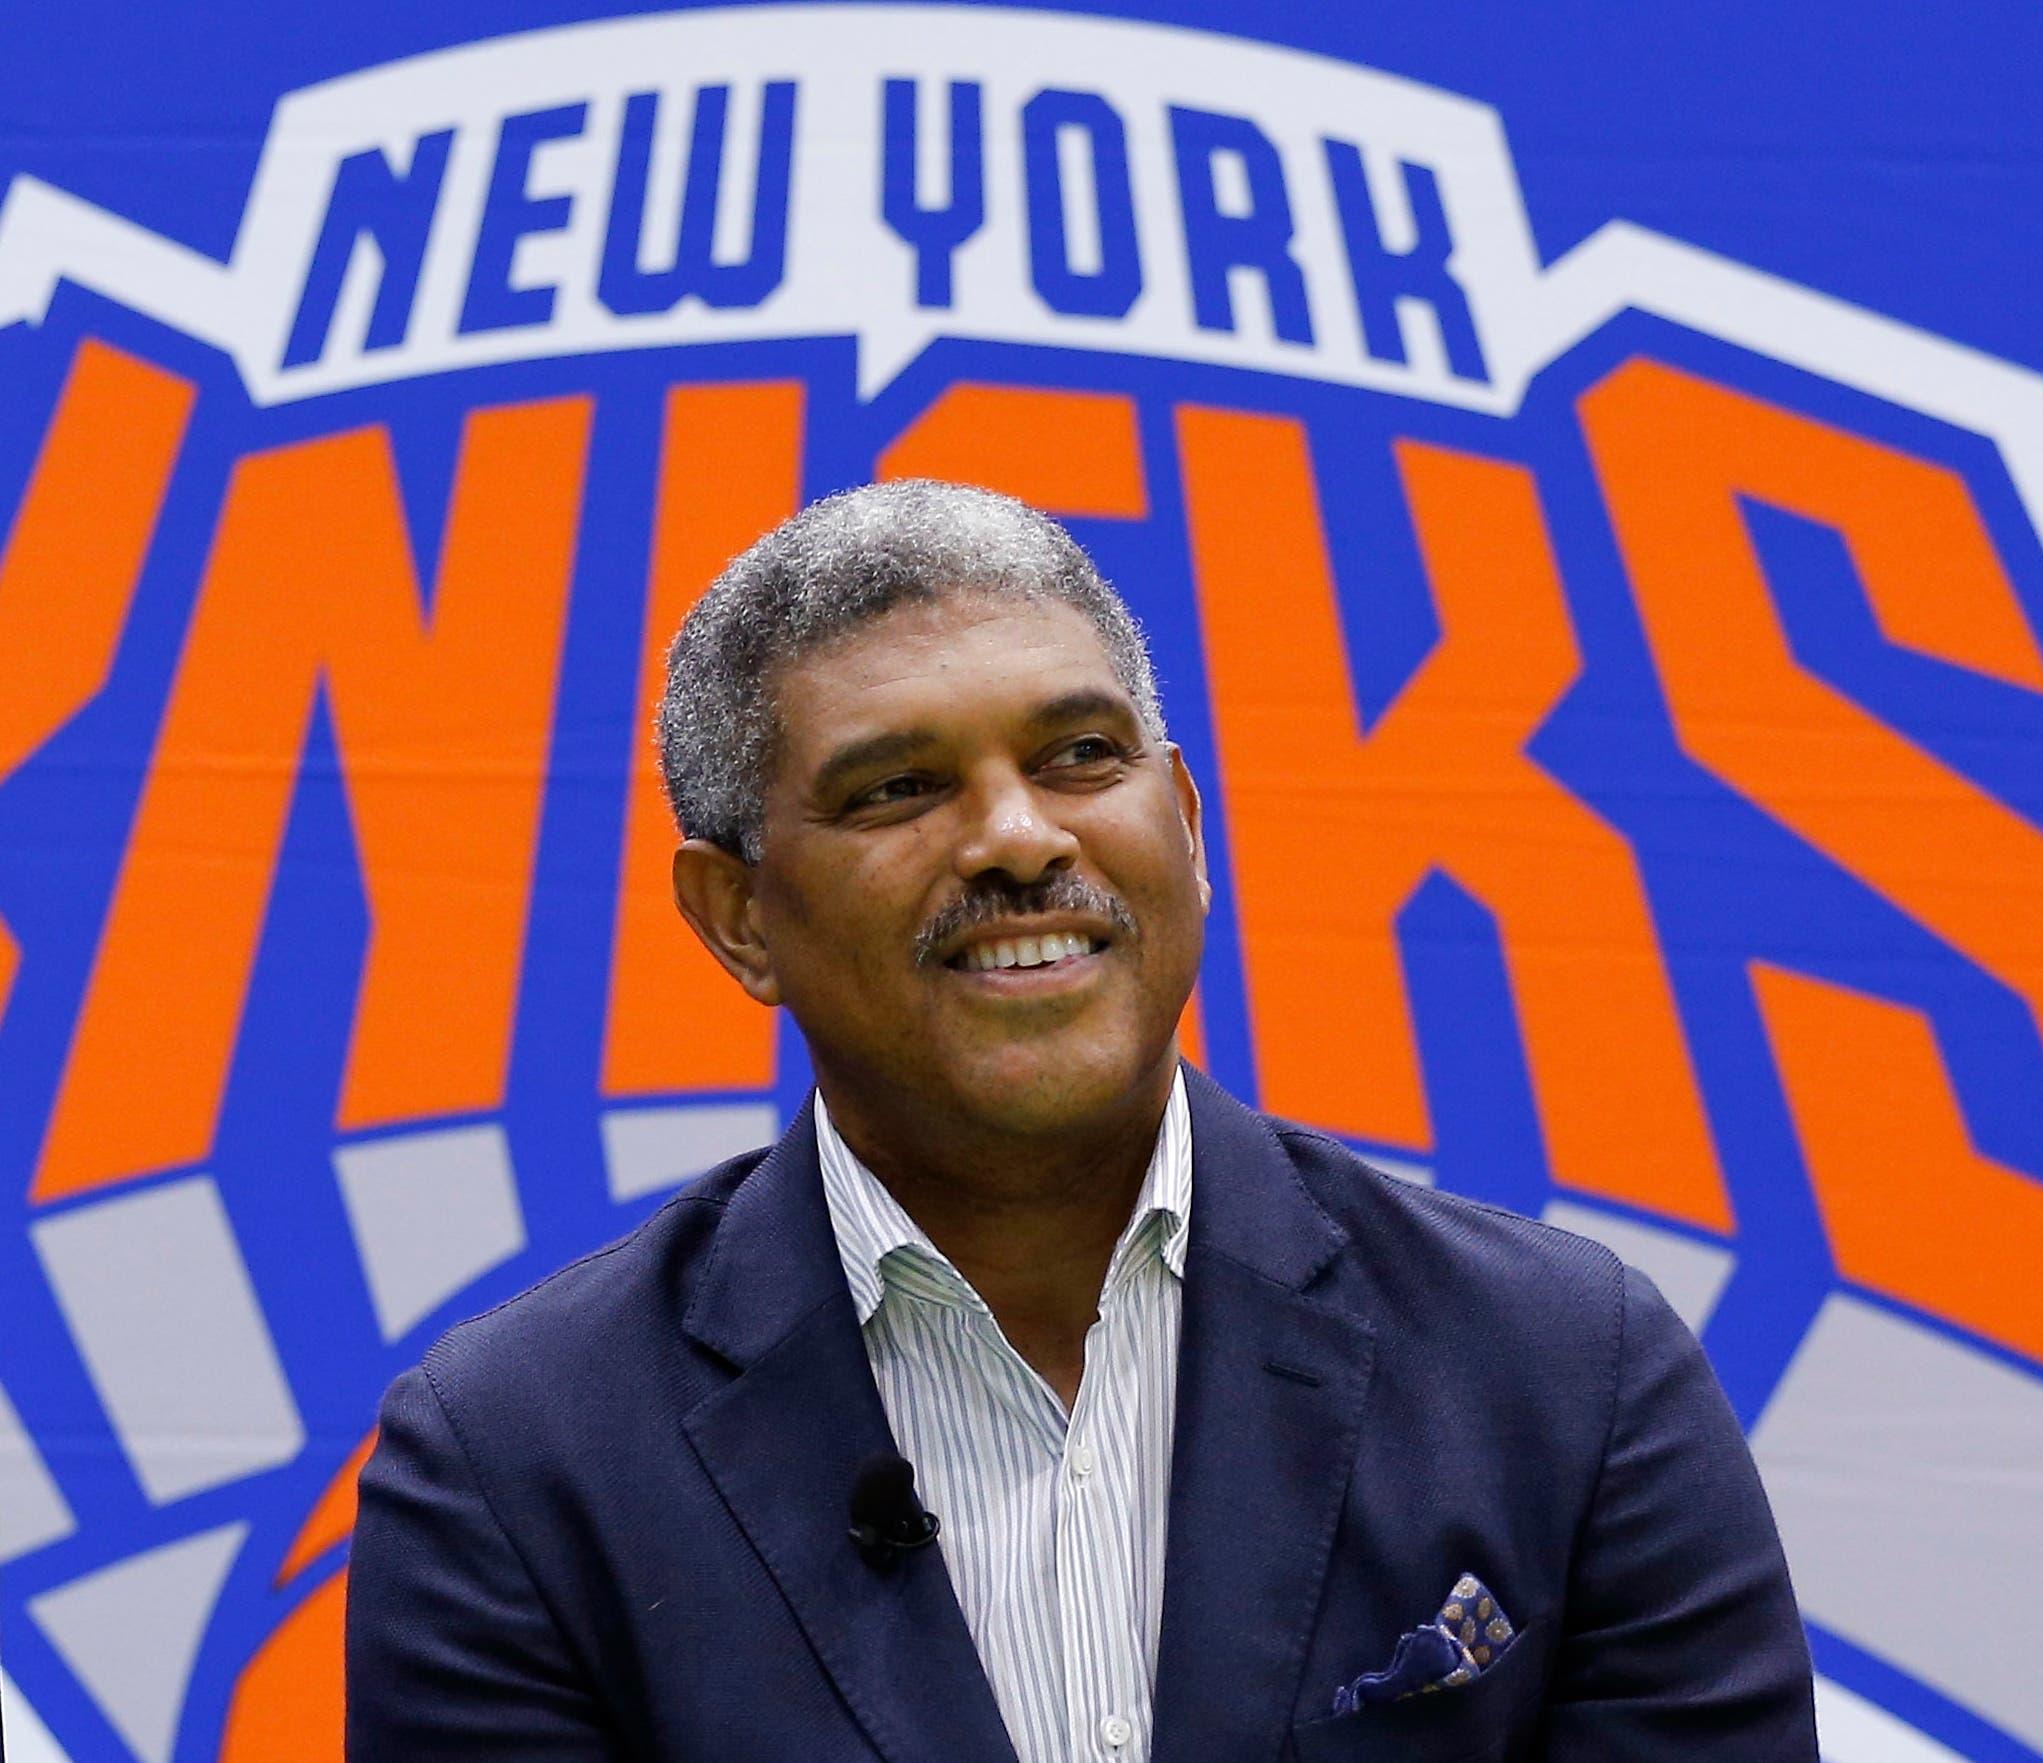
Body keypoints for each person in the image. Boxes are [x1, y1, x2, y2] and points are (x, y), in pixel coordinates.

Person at [346, 480, 1817, 1761]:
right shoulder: (514, 1466)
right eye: (899, 788)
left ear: (1185, 821)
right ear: (738, 919)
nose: (1017, 836)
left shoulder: (1567, 1375)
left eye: (1078, 758)